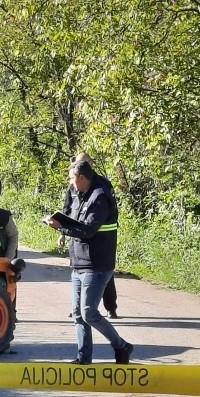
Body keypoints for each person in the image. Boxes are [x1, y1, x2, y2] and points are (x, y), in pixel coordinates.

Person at [45, 160, 133, 364]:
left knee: (89, 313)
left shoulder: (99, 197)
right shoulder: (79, 194)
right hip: (78, 262)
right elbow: (73, 219)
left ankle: (122, 346)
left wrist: (59, 228)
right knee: (78, 314)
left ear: (82, 178)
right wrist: (60, 222)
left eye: (72, 179)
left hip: (97, 264)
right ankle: (83, 358)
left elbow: (88, 230)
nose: (70, 183)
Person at [62, 152, 119, 318]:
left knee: (104, 275)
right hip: (78, 237)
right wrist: (63, 230)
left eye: (84, 163)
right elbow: (68, 208)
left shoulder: (102, 186)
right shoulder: (73, 185)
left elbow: (107, 213)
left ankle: (110, 307)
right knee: (78, 273)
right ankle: (79, 308)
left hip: (100, 241)